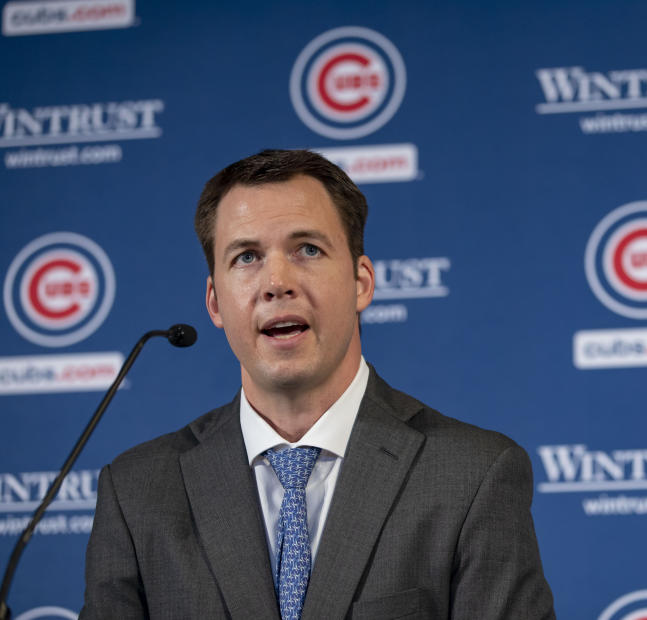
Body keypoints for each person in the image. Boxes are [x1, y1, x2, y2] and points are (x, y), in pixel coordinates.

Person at [80, 149, 555, 619]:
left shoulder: (472, 477)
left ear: (361, 283)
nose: (276, 283)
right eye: (246, 257)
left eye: (307, 249)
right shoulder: (137, 493)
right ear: (215, 303)